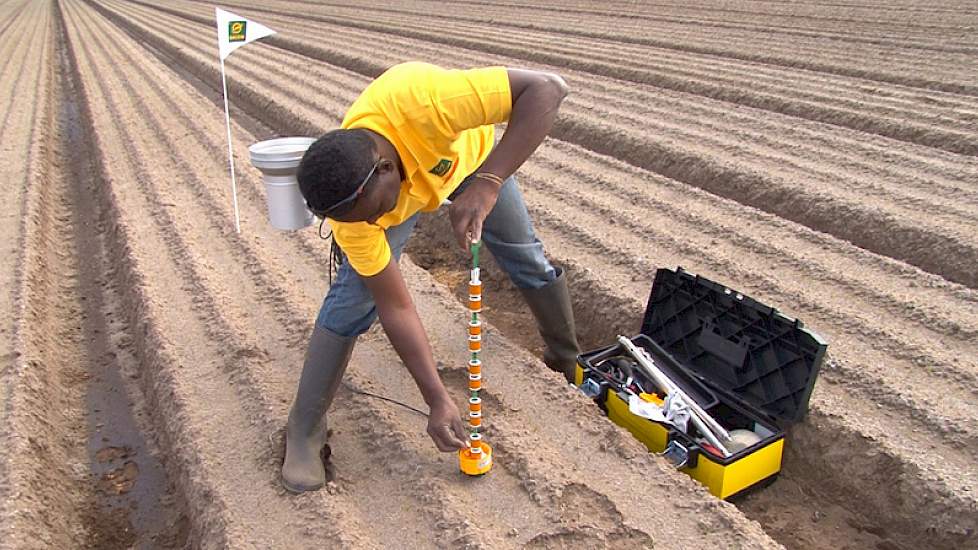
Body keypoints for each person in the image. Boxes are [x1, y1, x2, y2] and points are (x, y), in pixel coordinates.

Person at [283, 62, 580, 493]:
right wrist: (436, 397)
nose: (376, 223)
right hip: (413, 187)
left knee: (526, 257)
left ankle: (566, 360)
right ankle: (304, 428)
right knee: (353, 300)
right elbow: (396, 304)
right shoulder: (355, 215)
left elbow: (549, 88)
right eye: (367, 222)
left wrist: (490, 182)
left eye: (376, 214)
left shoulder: (427, 101)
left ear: (384, 170)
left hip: (471, 164)